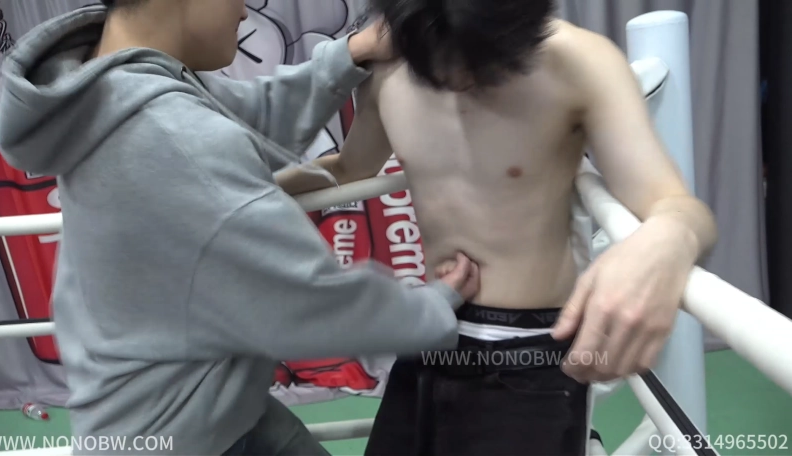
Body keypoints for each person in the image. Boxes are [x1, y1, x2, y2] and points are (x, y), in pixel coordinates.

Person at [0, 1, 482, 455]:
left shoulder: (115, 87)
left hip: (192, 407)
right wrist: (433, 307)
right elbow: (307, 303)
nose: (244, 13)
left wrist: (350, 53)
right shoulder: (171, 136)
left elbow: (249, 116)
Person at [275, 0, 719, 454]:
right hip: (432, 332)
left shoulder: (577, 60)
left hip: (531, 357)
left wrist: (667, 239)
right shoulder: (389, 69)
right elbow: (351, 167)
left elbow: (675, 205)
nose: (458, 76)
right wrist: (246, 186)